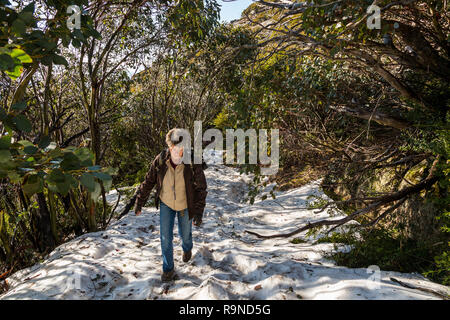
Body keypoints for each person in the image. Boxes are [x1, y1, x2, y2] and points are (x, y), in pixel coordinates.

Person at [133, 128, 207, 282]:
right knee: (165, 238)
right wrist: (139, 201)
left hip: (185, 204)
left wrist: (198, 212)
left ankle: (187, 248)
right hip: (166, 203)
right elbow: (148, 182)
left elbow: (201, 188)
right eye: (173, 147)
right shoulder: (160, 160)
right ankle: (168, 270)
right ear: (169, 146)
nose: (176, 151)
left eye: (180, 148)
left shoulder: (192, 162)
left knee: (185, 235)